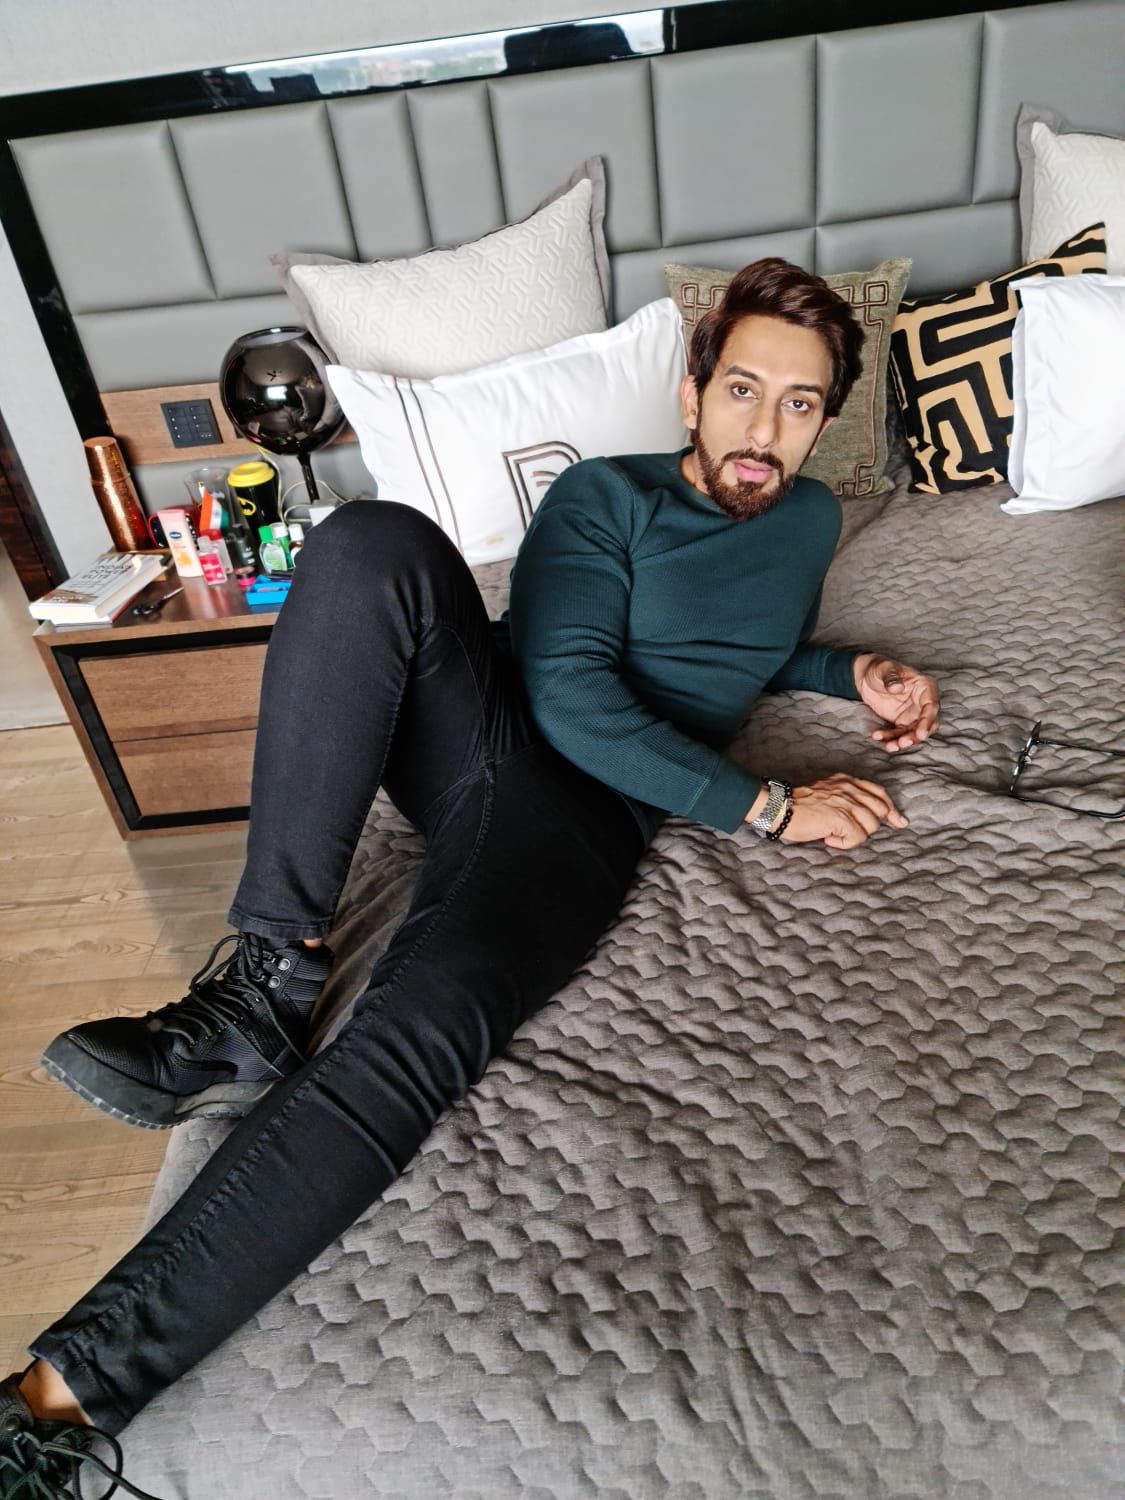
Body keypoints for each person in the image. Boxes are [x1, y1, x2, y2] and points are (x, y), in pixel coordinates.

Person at [1, 258, 938, 1497]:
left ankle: (51, 1406)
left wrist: (848, 672)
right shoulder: (603, 498)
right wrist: (770, 806)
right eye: (743, 390)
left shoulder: (810, 521)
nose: (765, 430)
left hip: (587, 826)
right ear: (692, 392)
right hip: (500, 732)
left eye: (800, 403)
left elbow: (741, 647)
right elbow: (571, 697)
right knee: (370, 537)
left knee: (420, 1033)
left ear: (827, 422)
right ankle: (267, 980)